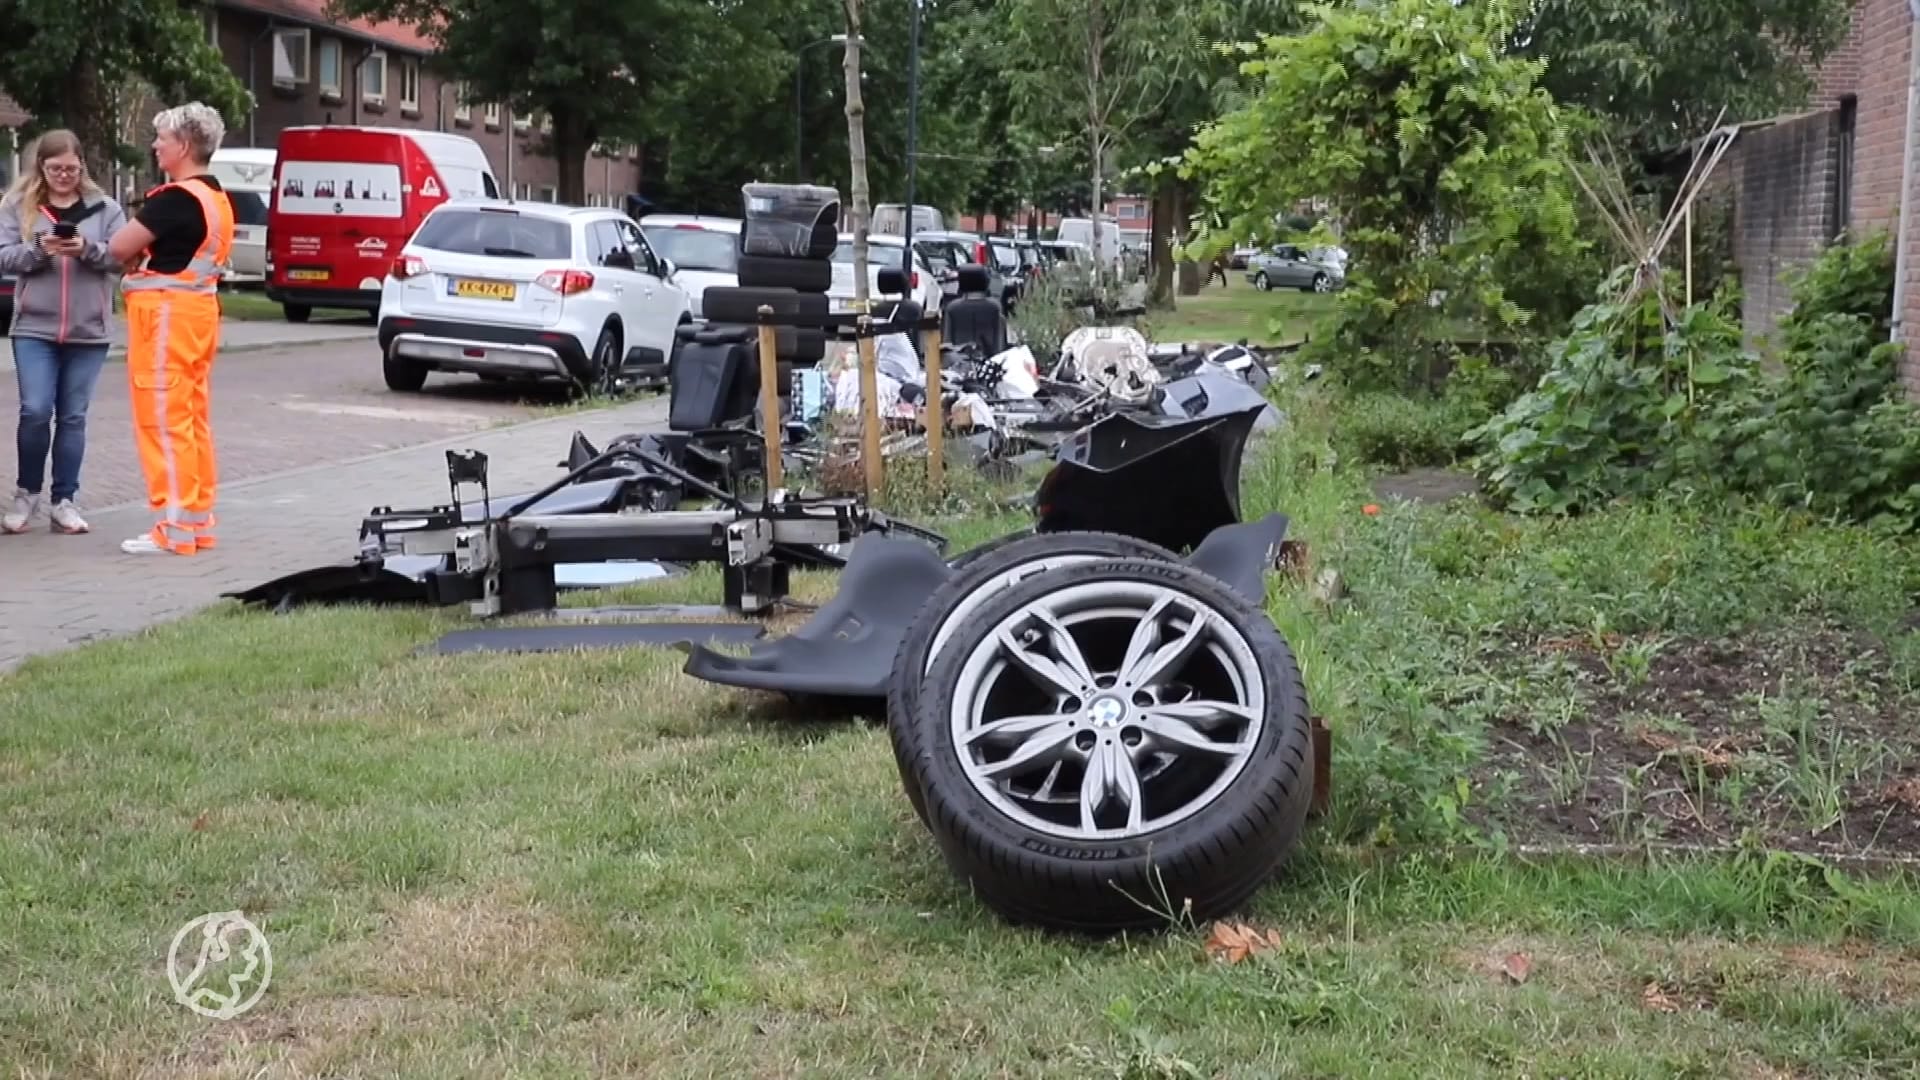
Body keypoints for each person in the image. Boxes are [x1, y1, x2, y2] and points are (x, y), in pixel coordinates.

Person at [106, 103, 236, 556]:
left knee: (162, 423)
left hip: (164, 319)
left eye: (161, 138)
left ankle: (172, 529)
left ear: (183, 145)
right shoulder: (216, 197)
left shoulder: (175, 198)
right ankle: (196, 523)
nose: (155, 145)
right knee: (191, 421)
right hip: (197, 315)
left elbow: (118, 247)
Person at [0, 130, 130, 535]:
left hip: (87, 330)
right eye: (55, 168)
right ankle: (26, 495)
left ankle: (64, 501)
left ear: (81, 166)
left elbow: (122, 257)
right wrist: (39, 250)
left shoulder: (104, 208)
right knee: (36, 411)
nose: (63, 175)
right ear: (41, 166)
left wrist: (87, 250)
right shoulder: (19, 205)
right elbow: (3, 255)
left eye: (71, 169)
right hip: (34, 327)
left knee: (72, 417)